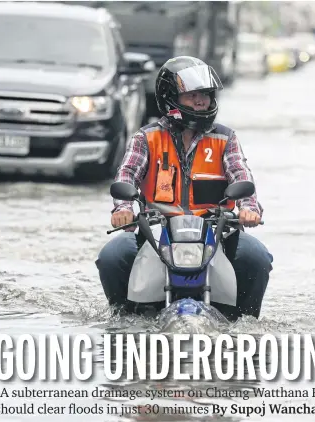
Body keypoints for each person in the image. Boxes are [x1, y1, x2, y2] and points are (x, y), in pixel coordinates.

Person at [95, 56, 273, 320]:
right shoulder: (146, 138)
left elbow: (241, 177)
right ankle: (123, 317)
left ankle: (243, 322)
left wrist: (249, 209)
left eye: (205, 95)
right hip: (156, 233)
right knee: (112, 256)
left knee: (257, 257)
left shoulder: (226, 139)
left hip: (217, 233)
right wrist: (123, 209)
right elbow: (127, 174)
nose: (201, 101)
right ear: (171, 98)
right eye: (192, 95)